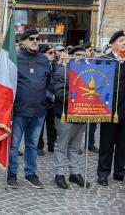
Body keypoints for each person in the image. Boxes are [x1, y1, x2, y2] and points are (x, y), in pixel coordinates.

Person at [7, 29, 51, 189]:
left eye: (37, 39)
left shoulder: (44, 60)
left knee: (32, 145)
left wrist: (47, 96)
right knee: (14, 146)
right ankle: (11, 174)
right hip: (19, 110)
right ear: (23, 41)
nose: (35, 41)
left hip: (39, 111)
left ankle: (30, 174)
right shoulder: (15, 59)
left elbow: (50, 83)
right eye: (31, 38)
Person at [52, 45, 90, 189]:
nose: (81, 58)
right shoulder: (62, 72)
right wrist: (80, 92)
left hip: (81, 114)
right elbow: (59, 94)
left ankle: (74, 173)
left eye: (83, 55)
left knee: (75, 147)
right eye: (78, 55)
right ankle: (59, 174)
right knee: (61, 146)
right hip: (66, 114)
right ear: (71, 56)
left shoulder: (88, 73)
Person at [97, 30, 125, 186]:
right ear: (113, 43)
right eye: (121, 40)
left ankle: (119, 172)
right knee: (107, 143)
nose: (124, 43)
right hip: (108, 109)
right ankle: (103, 173)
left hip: (124, 109)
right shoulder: (105, 60)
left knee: (123, 144)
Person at [37, 45, 57, 156]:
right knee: (39, 125)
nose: (53, 54)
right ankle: (39, 146)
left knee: (52, 125)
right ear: (43, 54)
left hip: (54, 102)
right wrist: (50, 96)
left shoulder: (55, 65)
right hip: (42, 100)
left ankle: (52, 145)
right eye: (50, 52)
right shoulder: (39, 66)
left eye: (53, 52)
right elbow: (39, 85)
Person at [81, 42, 99, 153]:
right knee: (79, 124)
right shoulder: (80, 62)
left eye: (93, 51)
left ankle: (90, 144)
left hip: (94, 95)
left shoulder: (97, 62)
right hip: (82, 95)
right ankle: (76, 145)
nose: (91, 53)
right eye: (89, 50)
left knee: (92, 124)